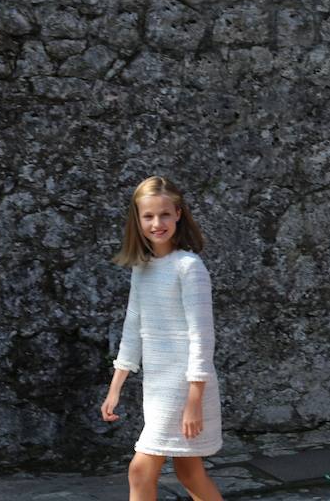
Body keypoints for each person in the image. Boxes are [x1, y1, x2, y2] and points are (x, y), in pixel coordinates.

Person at [100, 176, 223, 501]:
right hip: (157, 387)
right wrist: (116, 387)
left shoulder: (189, 267)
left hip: (184, 388)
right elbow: (133, 328)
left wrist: (194, 400)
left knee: (140, 470)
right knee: (189, 472)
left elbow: (202, 336)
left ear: (178, 214)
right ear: (138, 220)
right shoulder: (142, 268)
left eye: (165, 214)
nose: (157, 223)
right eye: (149, 216)